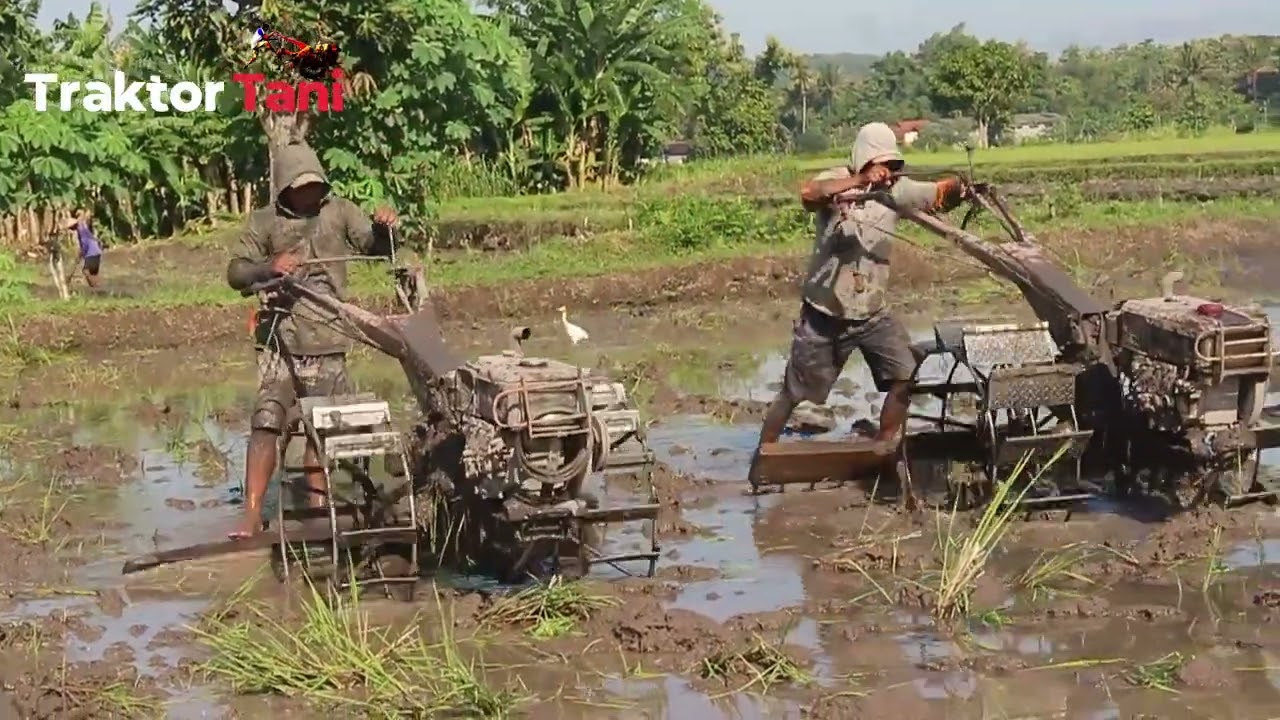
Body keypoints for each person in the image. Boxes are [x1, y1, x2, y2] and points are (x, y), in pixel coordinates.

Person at [746, 121, 969, 493]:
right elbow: (809, 192)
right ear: (864, 158)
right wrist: (857, 184)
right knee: (794, 391)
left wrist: (962, 189)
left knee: (904, 373)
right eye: (880, 164)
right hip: (825, 313)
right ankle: (764, 455)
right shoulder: (837, 181)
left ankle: (883, 447)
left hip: (872, 312)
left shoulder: (895, 191)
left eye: (891, 165)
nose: (887, 172)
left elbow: (935, 195)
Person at [225, 141, 398, 539]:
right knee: (268, 420)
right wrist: (270, 266)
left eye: (313, 186)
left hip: (328, 333)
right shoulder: (264, 222)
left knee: (324, 424)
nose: (307, 194)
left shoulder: (338, 212)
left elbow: (377, 249)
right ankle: (252, 513)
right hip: (279, 337)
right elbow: (235, 273)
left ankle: (318, 506)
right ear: (285, 187)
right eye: (299, 187)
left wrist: (384, 229)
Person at [64, 209, 102, 289]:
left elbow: (84, 245)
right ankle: (98, 287)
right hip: (97, 252)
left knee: (86, 271)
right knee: (93, 273)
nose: (71, 229)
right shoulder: (83, 228)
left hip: (92, 252)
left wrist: (81, 254)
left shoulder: (81, 230)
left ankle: (94, 287)